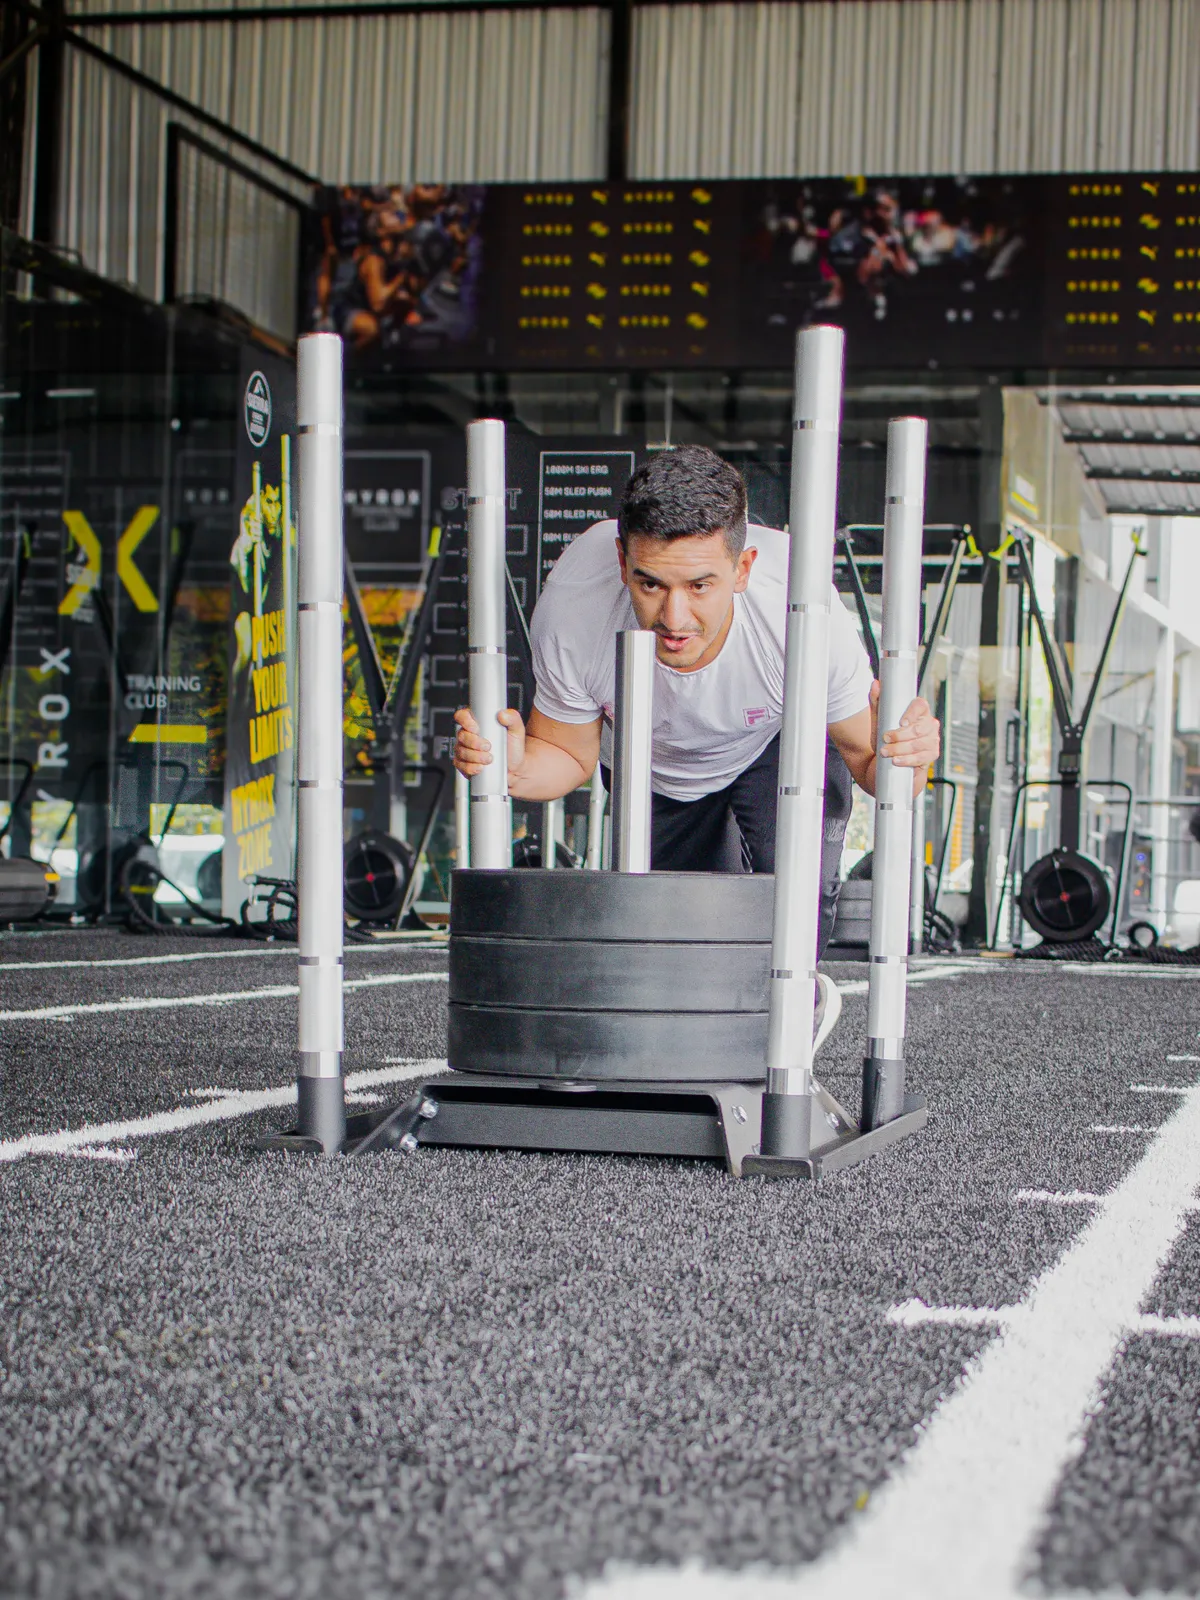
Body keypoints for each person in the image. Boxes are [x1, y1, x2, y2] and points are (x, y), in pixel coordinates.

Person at [453, 446, 940, 1035]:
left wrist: (909, 760)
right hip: (653, 765)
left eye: (700, 585)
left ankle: (784, 1047)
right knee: (674, 952)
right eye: (651, 584)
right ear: (622, 560)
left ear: (743, 569)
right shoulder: (576, 608)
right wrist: (512, 766)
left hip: (773, 743)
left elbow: (868, 761)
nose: (674, 617)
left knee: (793, 915)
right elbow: (569, 755)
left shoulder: (802, 612)